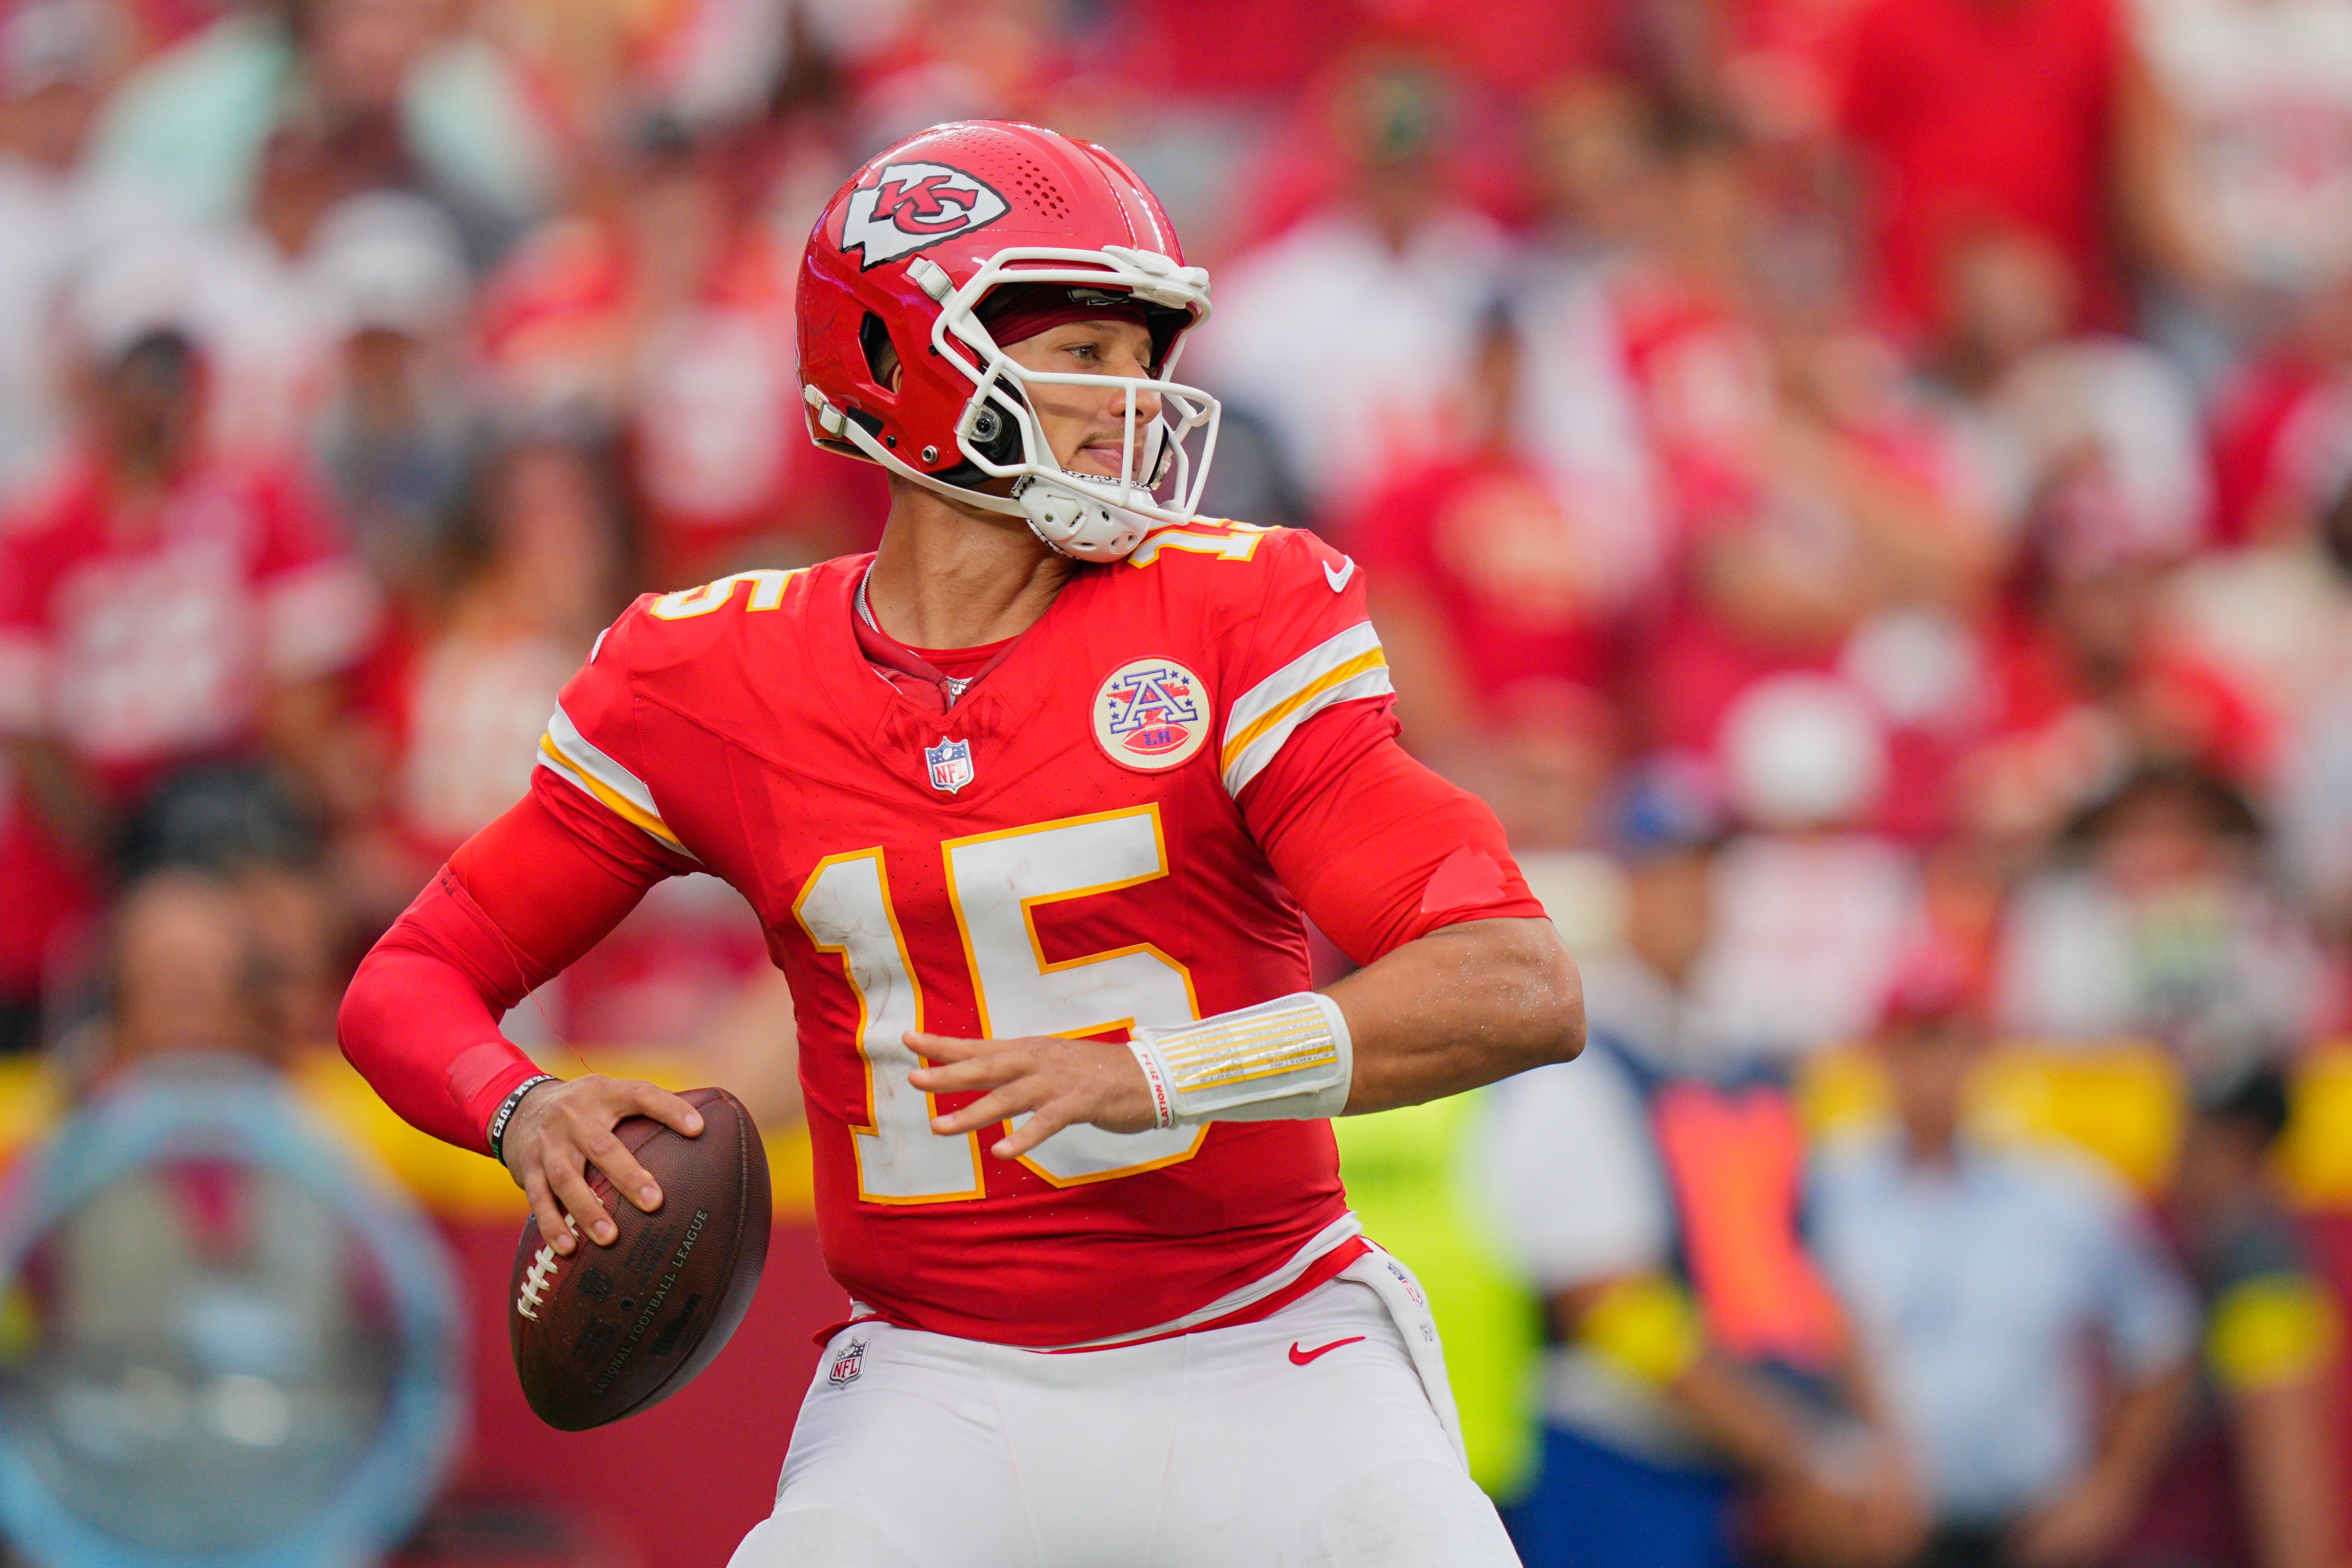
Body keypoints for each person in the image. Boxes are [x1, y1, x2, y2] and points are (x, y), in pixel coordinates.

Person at [337, 119, 1585, 1567]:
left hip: (1271, 1343)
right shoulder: (710, 674)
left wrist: (1162, 1072)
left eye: (1143, 358)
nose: (1133, 404)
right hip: (944, 1377)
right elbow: (408, 980)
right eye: (1085, 354)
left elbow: (1515, 979)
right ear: (900, 355)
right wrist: (519, 1104)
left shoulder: (1238, 612)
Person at [1809, 968, 2199, 1568]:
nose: (1935, 1069)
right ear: (1880, 1058)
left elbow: (2162, 1335)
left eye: (1953, 1043)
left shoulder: (2062, 1194)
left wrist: (2110, 1488)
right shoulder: (1824, 1189)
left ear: (1985, 1055)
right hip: (1868, 1532)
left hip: (2023, 1530)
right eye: (1918, 1044)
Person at [2122, 1066, 2345, 1568]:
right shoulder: (2203, 1251)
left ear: (2243, 1149)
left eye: (2198, 1140)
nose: (2179, 1157)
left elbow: (2286, 1467)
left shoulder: (2256, 1267)